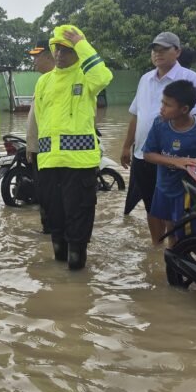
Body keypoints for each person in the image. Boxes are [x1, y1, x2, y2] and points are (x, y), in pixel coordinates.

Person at [34, 25, 113, 269]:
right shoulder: (44, 81)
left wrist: (81, 43)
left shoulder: (86, 76)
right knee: (54, 222)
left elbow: (103, 77)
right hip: (49, 164)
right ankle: (60, 280)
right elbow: (39, 119)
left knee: (78, 223)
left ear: (78, 51)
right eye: (57, 48)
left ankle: (77, 273)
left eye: (67, 49)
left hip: (79, 166)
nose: (60, 54)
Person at [120, 32, 196, 244]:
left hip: (174, 159)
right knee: (151, 206)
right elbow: (137, 115)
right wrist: (126, 146)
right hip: (143, 155)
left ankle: (175, 250)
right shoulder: (145, 79)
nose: (157, 54)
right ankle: (157, 250)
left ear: (177, 51)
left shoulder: (191, 79)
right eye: (154, 50)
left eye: (163, 49)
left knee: (174, 211)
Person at [142, 80, 196, 246]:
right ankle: (174, 260)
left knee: (189, 237)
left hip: (188, 191)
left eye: (167, 105)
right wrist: (175, 161)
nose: (162, 108)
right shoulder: (159, 124)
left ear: (184, 109)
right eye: (162, 102)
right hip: (164, 187)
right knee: (171, 231)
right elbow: (148, 155)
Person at [25, 38, 56, 234]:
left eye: (36, 57)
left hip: (50, 151)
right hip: (38, 149)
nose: (34, 61)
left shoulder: (57, 81)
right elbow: (36, 118)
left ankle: (53, 229)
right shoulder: (42, 81)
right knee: (43, 192)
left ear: (48, 56)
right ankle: (48, 228)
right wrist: (31, 146)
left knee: (50, 193)